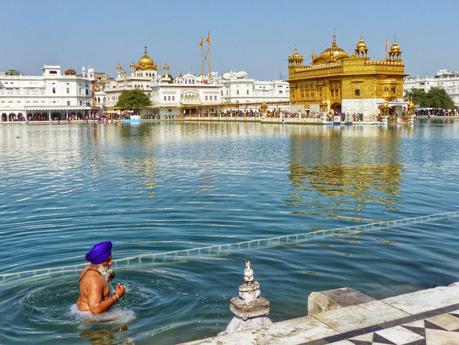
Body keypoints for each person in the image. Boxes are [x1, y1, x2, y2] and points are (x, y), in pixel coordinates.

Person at [75, 241, 125, 314]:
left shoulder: (87, 269)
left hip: (79, 309)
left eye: (111, 259)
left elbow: (99, 286)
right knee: (130, 316)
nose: (111, 262)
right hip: (89, 315)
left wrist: (107, 277)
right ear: (99, 261)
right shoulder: (94, 279)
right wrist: (117, 295)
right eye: (108, 261)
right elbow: (95, 309)